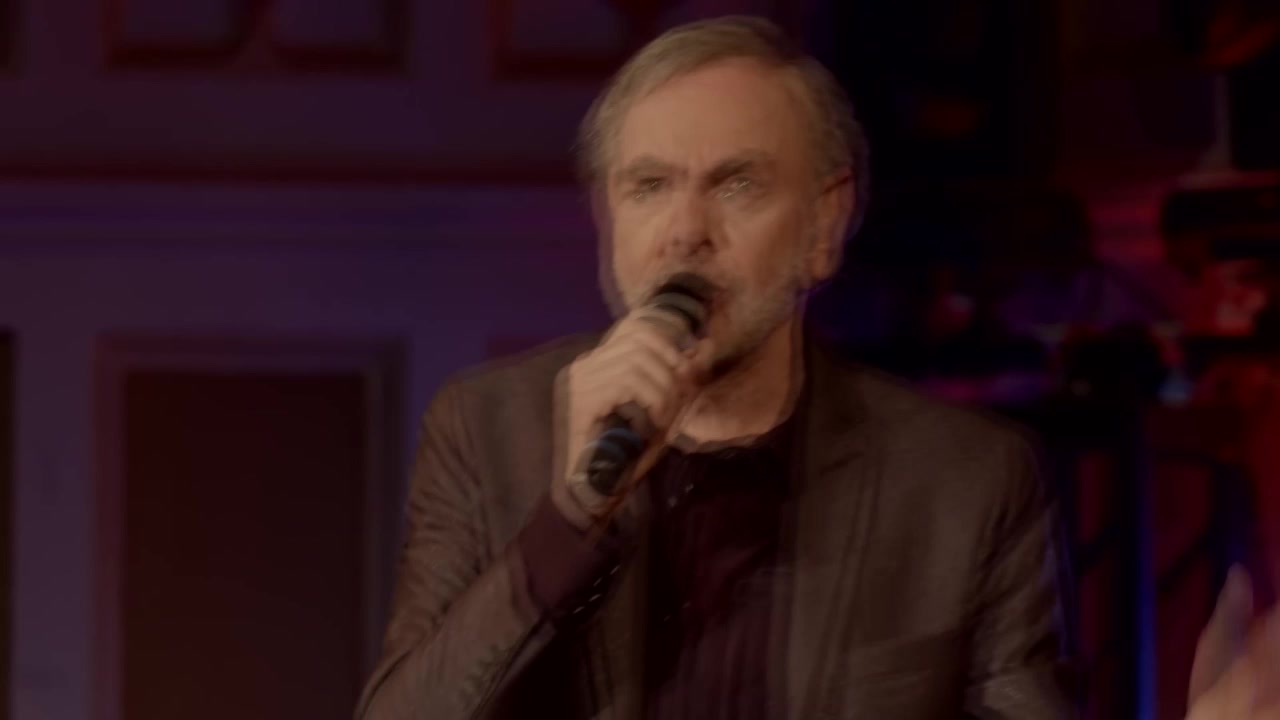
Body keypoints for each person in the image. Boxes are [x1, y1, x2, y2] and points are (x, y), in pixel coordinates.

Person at [354, 16, 1279, 720]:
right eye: (648, 186)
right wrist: (569, 519)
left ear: (825, 225)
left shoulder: (966, 479)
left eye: (737, 184)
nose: (685, 231)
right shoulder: (487, 429)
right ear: (607, 220)